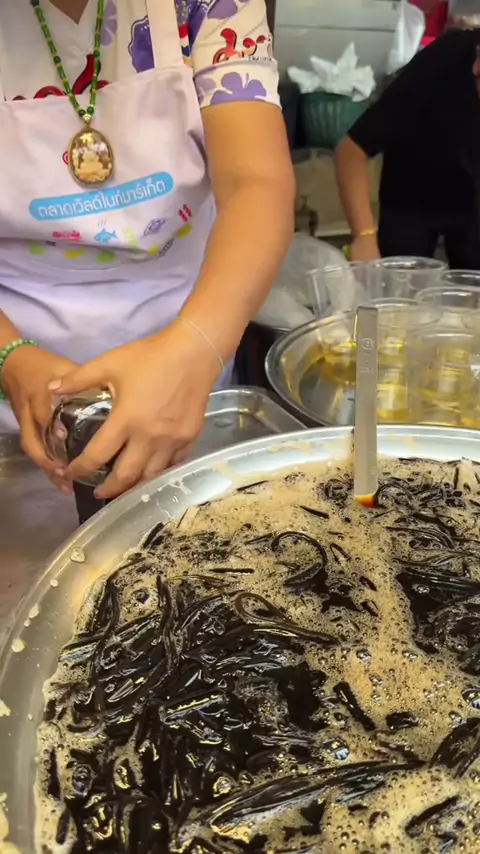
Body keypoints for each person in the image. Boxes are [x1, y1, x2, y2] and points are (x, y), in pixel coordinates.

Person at [0, 0, 295, 518]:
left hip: (188, 352)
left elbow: (257, 183)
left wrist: (196, 346)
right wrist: (10, 356)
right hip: (16, 384)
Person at [335, 27, 480, 267]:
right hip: (411, 195)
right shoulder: (443, 64)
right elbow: (351, 150)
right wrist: (364, 236)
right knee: (401, 280)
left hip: (472, 204)